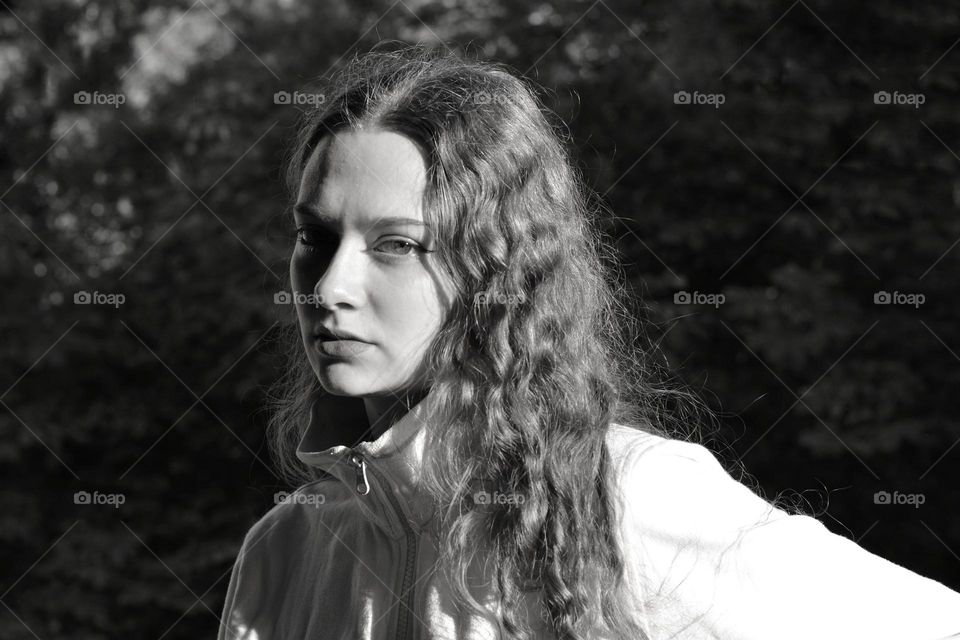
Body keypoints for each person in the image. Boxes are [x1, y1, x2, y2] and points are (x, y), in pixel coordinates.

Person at [217, 44, 960, 640]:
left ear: (493, 268)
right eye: (316, 238)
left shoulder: (628, 499)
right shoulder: (283, 554)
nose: (329, 285)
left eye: (395, 245)